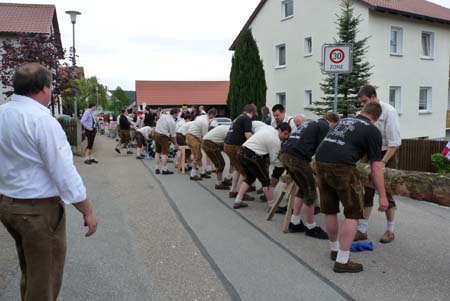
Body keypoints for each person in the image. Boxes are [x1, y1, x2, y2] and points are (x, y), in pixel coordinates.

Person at [0, 63, 98, 300]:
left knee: (31, 271)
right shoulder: (42, 121)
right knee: (45, 280)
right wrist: (87, 211)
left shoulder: (3, 113)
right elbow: (64, 173)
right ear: (44, 89)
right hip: (37, 210)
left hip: (8, 204)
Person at [315, 102, 388, 273]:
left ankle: (334, 250)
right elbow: (376, 167)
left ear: (362, 112)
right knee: (353, 213)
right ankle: (342, 260)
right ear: (376, 118)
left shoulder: (344, 121)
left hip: (319, 163)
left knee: (330, 209)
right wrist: (383, 196)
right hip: (342, 167)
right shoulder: (372, 130)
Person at [279, 113, 339, 239]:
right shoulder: (324, 126)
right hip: (297, 158)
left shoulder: (310, 123)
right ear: (332, 122)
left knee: (303, 188)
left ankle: (295, 222)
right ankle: (311, 227)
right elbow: (323, 149)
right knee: (311, 190)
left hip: (285, 154)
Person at [355, 85, 401, 244]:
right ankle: (362, 229)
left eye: (365, 101)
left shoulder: (389, 112)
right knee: (366, 191)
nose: (363, 105)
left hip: (386, 154)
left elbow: (394, 143)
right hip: (369, 153)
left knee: (386, 192)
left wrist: (383, 162)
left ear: (374, 97)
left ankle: (390, 230)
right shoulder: (363, 113)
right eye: (361, 102)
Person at [233, 123, 291, 209]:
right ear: (279, 130)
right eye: (285, 133)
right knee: (266, 181)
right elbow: (274, 160)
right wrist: (285, 165)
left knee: (250, 177)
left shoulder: (268, 128)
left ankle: (238, 201)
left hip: (241, 152)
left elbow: (256, 130)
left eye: (287, 134)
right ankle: (272, 206)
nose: (286, 137)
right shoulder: (275, 140)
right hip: (252, 156)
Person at [224, 104, 257, 200]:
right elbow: (248, 135)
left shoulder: (238, 117)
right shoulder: (247, 118)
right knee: (245, 171)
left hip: (227, 145)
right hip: (235, 146)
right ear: (252, 112)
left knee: (237, 168)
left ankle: (233, 190)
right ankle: (241, 194)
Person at [185, 108, 217, 180]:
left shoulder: (200, 117)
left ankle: (202, 172)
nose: (214, 118)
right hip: (193, 138)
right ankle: (192, 175)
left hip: (190, 137)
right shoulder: (205, 122)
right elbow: (205, 137)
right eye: (214, 116)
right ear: (211, 115)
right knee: (198, 156)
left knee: (199, 155)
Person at [202, 124, 232, 189]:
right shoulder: (230, 131)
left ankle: (222, 181)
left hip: (207, 142)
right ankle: (218, 183)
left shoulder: (227, 128)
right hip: (209, 143)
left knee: (219, 163)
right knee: (220, 163)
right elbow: (227, 144)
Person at [154, 108, 179, 174]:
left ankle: (157, 168)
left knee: (157, 152)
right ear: (175, 114)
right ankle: (164, 170)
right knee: (164, 153)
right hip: (163, 136)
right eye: (177, 114)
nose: (177, 115)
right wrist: (176, 144)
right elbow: (173, 135)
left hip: (156, 133)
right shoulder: (172, 122)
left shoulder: (163, 116)